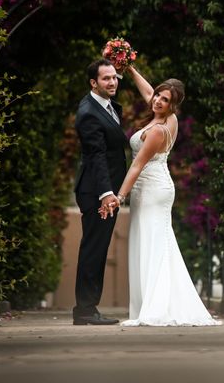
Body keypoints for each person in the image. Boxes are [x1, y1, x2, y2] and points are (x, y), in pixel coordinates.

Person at [101, 64, 221, 327]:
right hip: (155, 187)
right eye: (157, 95)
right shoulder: (167, 118)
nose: (156, 100)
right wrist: (130, 67)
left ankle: (156, 306)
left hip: (152, 190)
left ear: (172, 106)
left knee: (152, 243)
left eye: (164, 99)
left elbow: (137, 165)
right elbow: (147, 92)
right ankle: (158, 301)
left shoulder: (157, 130)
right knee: (157, 242)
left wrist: (119, 196)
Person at [72, 59, 127, 325]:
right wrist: (106, 193)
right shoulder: (88, 113)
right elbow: (96, 156)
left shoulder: (108, 106)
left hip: (104, 189)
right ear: (93, 83)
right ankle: (85, 310)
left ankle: (86, 309)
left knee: (98, 247)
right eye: (106, 78)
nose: (112, 82)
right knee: (94, 248)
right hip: (96, 191)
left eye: (115, 77)